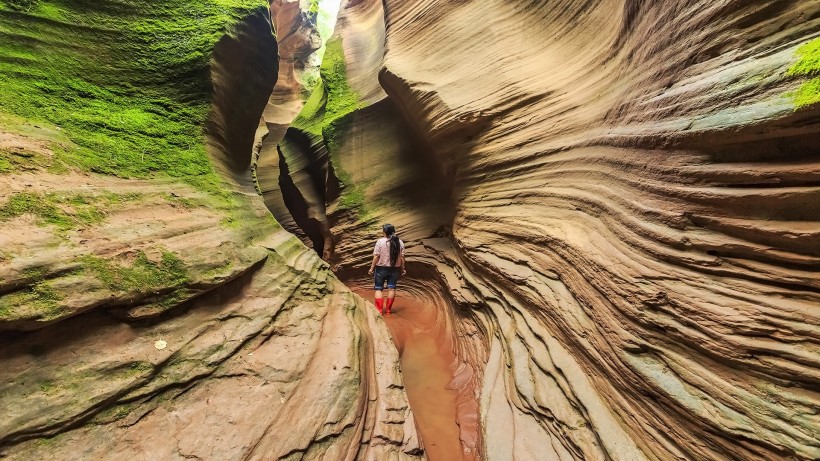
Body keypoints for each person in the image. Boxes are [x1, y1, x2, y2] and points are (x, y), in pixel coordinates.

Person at [368, 223, 406, 315]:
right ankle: (388, 310)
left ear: (385, 232)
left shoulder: (380, 242)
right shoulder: (400, 242)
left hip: (381, 268)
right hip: (395, 269)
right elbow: (402, 257)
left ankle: (379, 311)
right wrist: (403, 268)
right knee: (392, 289)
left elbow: (376, 256)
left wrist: (372, 268)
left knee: (378, 289)